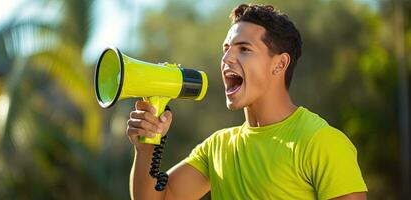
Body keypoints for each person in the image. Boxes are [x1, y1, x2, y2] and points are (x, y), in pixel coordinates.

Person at [126, 3, 367, 200]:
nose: (226, 58)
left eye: (244, 49)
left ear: (280, 64)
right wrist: (146, 147)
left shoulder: (322, 142)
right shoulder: (217, 147)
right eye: (226, 48)